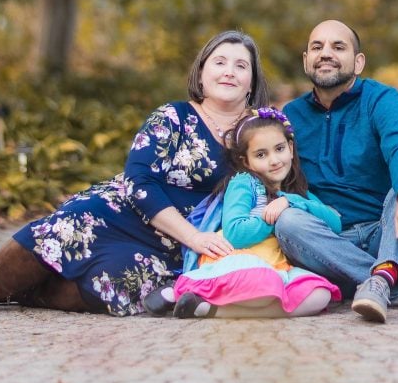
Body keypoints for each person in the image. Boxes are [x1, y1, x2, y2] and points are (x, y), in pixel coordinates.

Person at [0, 30, 270, 317]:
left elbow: (277, 183)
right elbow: (138, 181)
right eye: (219, 61)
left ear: (252, 82)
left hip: (179, 247)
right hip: (124, 212)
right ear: (202, 73)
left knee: (117, 281)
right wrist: (192, 235)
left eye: (241, 66)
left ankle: (26, 292)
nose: (229, 71)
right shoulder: (174, 116)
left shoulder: (261, 134)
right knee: (68, 227)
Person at [275, 19, 398, 324]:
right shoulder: (291, 116)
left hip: (386, 234)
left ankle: (383, 279)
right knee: (288, 222)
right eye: (317, 47)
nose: (326, 53)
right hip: (327, 243)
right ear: (306, 61)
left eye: (338, 46)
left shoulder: (382, 100)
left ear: (358, 62)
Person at [143, 108, 341, 319]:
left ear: (290, 148)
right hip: (242, 260)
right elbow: (235, 234)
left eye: (279, 149)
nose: (274, 160)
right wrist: (273, 218)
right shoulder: (245, 183)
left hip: (276, 265)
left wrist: (291, 202)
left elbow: (335, 224)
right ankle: (187, 291)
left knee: (319, 296)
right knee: (263, 287)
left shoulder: (294, 192)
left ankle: (211, 309)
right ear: (246, 161)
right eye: (261, 154)